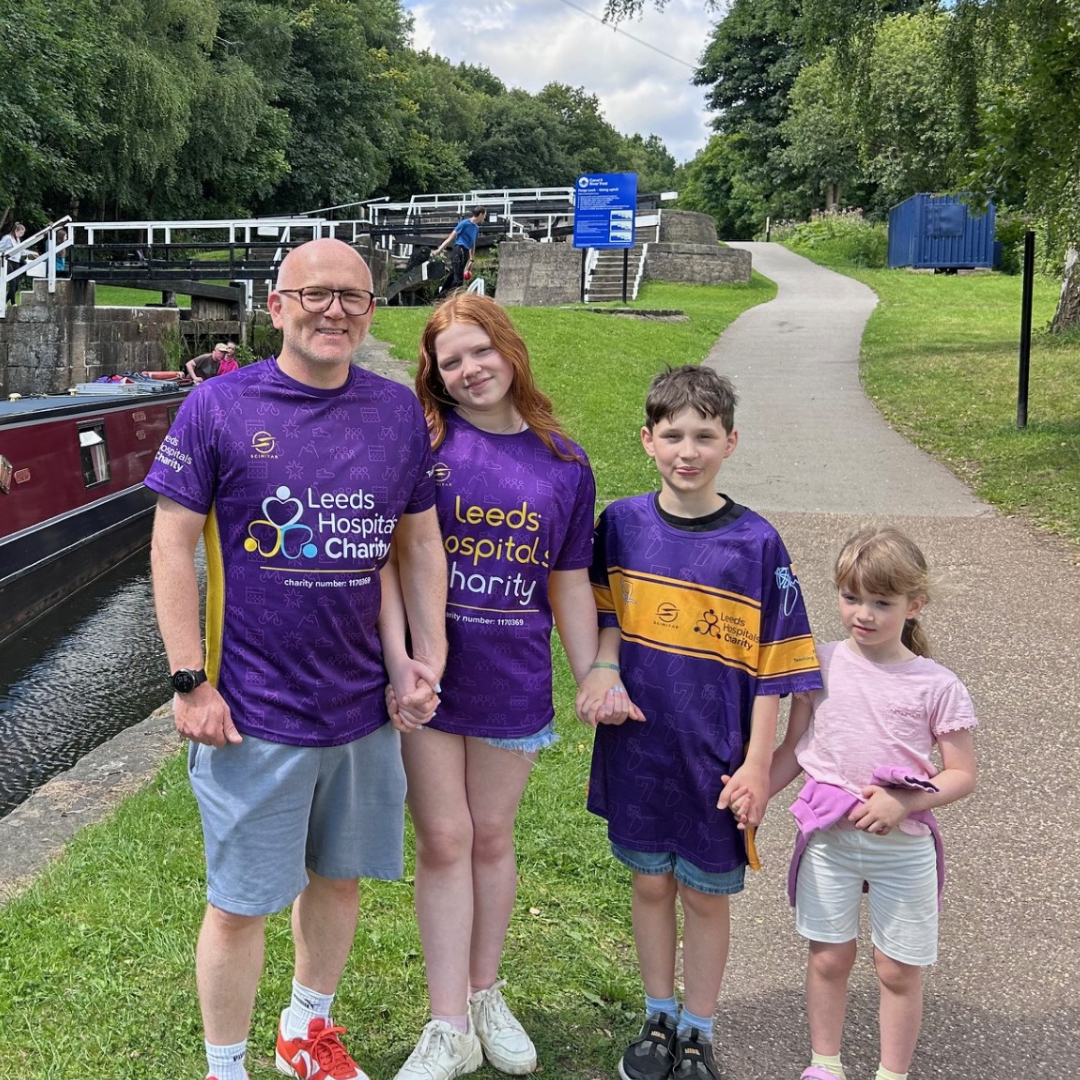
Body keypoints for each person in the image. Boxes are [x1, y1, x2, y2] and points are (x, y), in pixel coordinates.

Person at [145, 238, 448, 1080]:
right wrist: (188, 680)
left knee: (339, 882)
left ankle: (304, 1030)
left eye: (353, 297)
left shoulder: (394, 413)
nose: (335, 311)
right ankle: (225, 1066)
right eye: (315, 294)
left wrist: (427, 655)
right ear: (275, 306)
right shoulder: (217, 408)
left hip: (360, 712)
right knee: (240, 906)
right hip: (251, 713)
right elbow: (172, 548)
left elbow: (417, 545)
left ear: (371, 313)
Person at [384, 292, 613, 1080]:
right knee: (443, 840)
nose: (469, 369)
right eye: (451, 362)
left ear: (509, 349)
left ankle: (487, 994)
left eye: (479, 351)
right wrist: (401, 662)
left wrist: (594, 675)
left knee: (491, 837)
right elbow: (393, 560)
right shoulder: (425, 444)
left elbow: (572, 582)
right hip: (431, 679)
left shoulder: (565, 462)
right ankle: (447, 1021)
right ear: (436, 377)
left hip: (514, 678)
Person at [576, 365, 822, 1080]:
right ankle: (657, 1017)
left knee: (707, 896)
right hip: (640, 750)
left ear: (731, 442)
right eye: (673, 435)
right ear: (647, 440)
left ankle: (699, 1030)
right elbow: (602, 617)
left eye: (704, 436)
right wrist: (607, 668)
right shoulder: (619, 526)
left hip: (719, 757)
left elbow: (776, 666)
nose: (688, 450)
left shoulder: (756, 545)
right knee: (650, 884)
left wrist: (757, 764)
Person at [767, 526, 978, 1080]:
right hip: (828, 841)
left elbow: (961, 774)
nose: (863, 613)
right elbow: (795, 748)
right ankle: (825, 1064)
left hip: (901, 850)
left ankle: (892, 1073)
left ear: (915, 605)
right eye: (851, 596)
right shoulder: (821, 664)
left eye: (882, 602)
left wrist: (904, 802)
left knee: (898, 969)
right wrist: (755, 791)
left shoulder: (937, 685)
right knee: (829, 957)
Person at [432, 207, 487, 295]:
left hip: (465, 253)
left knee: (453, 275)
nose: (485, 217)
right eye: (484, 215)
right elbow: (450, 238)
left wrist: (472, 259)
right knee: (458, 279)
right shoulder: (464, 223)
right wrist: (438, 250)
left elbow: (472, 244)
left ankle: (440, 296)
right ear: (480, 214)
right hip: (459, 250)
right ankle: (454, 299)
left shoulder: (476, 228)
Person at [1, 222, 27, 305]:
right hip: (8, 261)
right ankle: (13, 302)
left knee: (16, 286)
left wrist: (31, 253)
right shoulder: (8, 238)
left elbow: (21, 251)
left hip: (16, 262)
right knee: (12, 283)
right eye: (21, 233)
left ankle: (3, 302)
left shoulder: (18, 240)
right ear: (16, 231)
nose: (21, 235)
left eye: (23, 233)